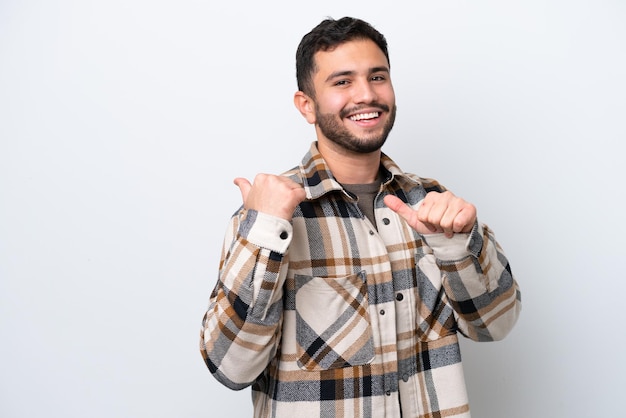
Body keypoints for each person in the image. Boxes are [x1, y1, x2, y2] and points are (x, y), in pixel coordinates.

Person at [199, 16, 521, 418]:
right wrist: (264, 233)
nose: (366, 95)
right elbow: (230, 367)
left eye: (378, 76)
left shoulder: (433, 203)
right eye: (342, 81)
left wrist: (459, 244)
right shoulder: (269, 216)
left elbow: (497, 325)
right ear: (307, 105)